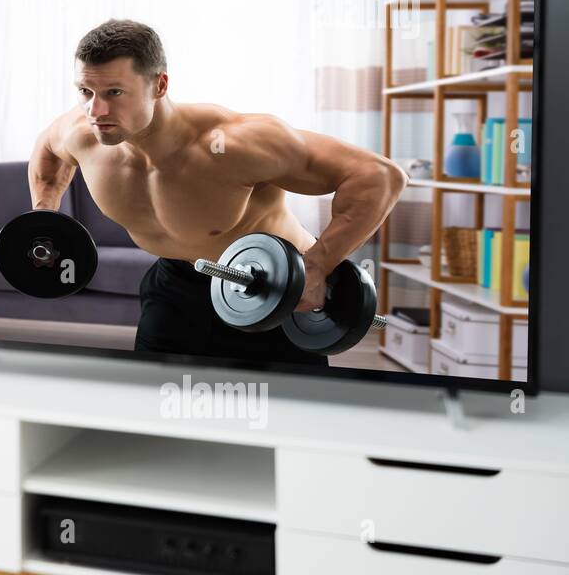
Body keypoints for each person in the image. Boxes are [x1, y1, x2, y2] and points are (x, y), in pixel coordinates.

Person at [29, 18, 407, 367]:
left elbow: (378, 175)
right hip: (175, 287)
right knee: (157, 403)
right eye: (85, 91)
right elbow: (47, 150)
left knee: (289, 415)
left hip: (273, 291)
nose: (96, 109)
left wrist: (317, 267)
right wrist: (45, 216)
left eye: (114, 92)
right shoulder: (82, 133)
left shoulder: (235, 144)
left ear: (159, 85)